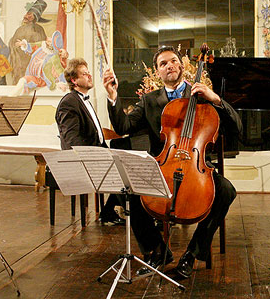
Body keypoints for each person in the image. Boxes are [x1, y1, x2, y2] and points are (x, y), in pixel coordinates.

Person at [103, 45, 242, 279]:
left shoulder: (201, 96)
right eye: (163, 63)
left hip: (196, 168)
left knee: (226, 191)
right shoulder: (149, 100)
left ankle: (192, 253)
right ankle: (157, 251)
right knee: (129, 190)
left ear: (182, 66)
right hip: (163, 167)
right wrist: (113, 97)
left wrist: (216, 99)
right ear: (157, 72)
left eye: (173, 61)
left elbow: (236, 127)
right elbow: (123, 127)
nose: (169, 66)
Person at [56, 58, 124, 225]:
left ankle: (109, 211)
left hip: (97, 153)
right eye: (84, 74)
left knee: (126, 161)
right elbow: (72, 140)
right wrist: (97, 156)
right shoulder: (69, 102)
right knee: (123, 171)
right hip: (84, 159)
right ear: (74, 80)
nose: (89, 76)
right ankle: (134, 215)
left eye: (88, 73)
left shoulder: (82, 100)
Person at [8, 0, 49, 82]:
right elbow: (13, 43)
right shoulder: (20, 29)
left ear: (35, 18)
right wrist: (12, 43)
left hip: (32, 61)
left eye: (31, 15)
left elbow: (42, 46)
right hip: (19, 61)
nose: (27, 16)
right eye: (28, 13)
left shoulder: (39, 30)